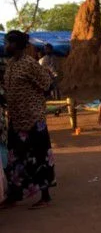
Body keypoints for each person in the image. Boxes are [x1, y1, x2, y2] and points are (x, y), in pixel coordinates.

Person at [0, 31, 56, 209]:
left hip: (33, 119)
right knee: (15, 158)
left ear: (16, 45)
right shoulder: (10, 64)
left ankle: (45, 196)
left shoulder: (29, 64)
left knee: (39, 157)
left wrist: (35, 100)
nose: (5, 46)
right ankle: (15, 196)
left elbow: (47, 83)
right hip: (16, 120)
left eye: (8, 42)